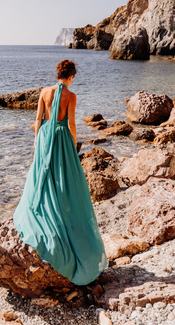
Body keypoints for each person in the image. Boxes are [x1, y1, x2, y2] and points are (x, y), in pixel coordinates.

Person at [13, 59, 108, 285]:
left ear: (58, 75)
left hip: (45, 136)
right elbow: (71, 124)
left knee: (43, 175)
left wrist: (37, 142)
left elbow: (38, 119)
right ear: (72, 76)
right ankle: (62, 213)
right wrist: (73, 146)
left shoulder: (44, 92)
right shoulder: (71, 96)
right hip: (62, 138)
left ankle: (44, 207)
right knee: (64, 178)